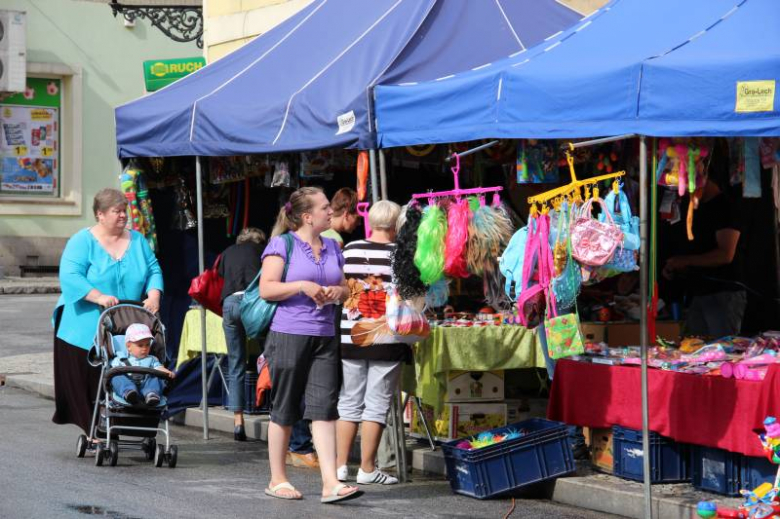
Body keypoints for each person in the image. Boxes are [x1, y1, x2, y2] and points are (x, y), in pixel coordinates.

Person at [259, 187, 361, 503]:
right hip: (289, 333)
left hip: (325, 334)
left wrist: (338, 293)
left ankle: (331, 482)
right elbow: (266, 289)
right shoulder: (282, 244)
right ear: (307, 216)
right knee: (285, 406)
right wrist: (302, 285)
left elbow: (346, 288)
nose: (331, 211)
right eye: (325, 207)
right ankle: (277, 479)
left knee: (324, 408)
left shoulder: (332, 246)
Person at [53, 188, 163, 437]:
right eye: (117, 211)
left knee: (128, 371)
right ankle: (94, 431)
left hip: (126, 322)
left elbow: (153, 269)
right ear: (100, 215)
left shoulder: (137, 240)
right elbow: (70, 275)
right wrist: (98, 296)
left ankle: (125, 423)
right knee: (90, 380)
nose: (123, 215)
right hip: (83, 327)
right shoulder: (82, 241)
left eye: (124, 211)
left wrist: (154, 293)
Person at [335, 200, 408, 485]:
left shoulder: (350, 250)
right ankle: (367, 468)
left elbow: (341, 286)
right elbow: (411, 293)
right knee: (377, 403)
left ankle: (340, 466)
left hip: (351, 333)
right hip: (386, 335)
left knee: (349, 400)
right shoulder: (401, 254)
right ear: (395, 224)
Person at [663, 158, 746, 337]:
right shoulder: (696, 208)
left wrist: (685, 261)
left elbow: (725, 254)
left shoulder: (725, 206)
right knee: (696, 347)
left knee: (721, 347)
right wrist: (677, 266)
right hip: (698, 292)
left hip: (722, 293)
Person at [218, 227, 266, 441]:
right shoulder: (263, 251)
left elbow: (221, 274)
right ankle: (275, 412)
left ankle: (238, 422)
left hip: (230, 303)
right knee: (271, 356)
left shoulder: (228, 252)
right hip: (254, 302)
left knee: (236, 363)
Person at [110, 323, 175, 406]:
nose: (145, 348)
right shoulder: (121, 358)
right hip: (128, 385)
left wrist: (166, 372)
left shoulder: (152, 359)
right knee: (116, 376)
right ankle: (129, 393)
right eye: (140, 345)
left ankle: (152, 394)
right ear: (128, 346)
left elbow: (159, 368)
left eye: (147, 345)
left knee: (155, 377)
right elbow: (112, 369)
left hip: (146, 385)